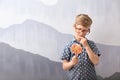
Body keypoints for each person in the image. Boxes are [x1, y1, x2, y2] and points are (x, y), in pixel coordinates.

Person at [61, 14, 101, 80]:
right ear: (74, 27)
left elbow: (96, 62)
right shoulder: (68, 46)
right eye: (79, 29)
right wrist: (72, 63)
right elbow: (64, 67)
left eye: (85, 30)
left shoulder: (91, 44)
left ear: (88, 30)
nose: (81, 33)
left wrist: (86, 46)